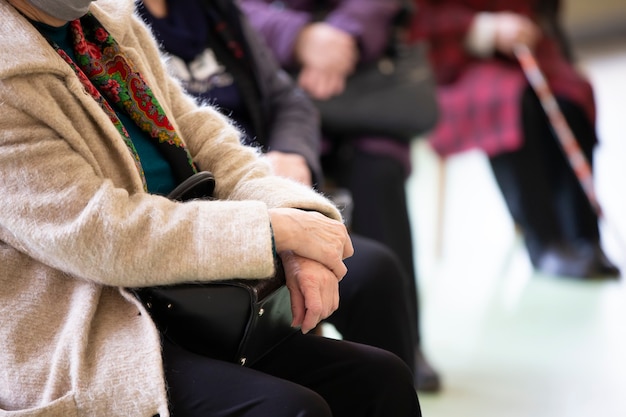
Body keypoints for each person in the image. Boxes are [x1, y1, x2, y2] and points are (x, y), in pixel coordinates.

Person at [0, 0, 423, 415]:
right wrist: (271, 230)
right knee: (292, 409)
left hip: (190, 294)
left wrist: (299, 228)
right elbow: (99, 230)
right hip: (87, 322)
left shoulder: (107, 22)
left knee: (381, 379)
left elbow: (208, 142)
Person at [136, 0, 439, 392]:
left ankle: (406, 357)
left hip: (261, 185)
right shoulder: (116, 22)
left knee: (375, 271)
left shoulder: (218, 13)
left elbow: (288, 100)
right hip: (204, 222)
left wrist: (291, 157)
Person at [239, 0, 441, 390]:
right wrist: (298, 36)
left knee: (379, 172)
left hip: (359, 88)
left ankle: (403, 342)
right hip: (265, 99)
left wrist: (344, 35)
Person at [408, 0, 620, 279]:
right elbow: (416, 17)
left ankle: (585, 238)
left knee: (571, 100)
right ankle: (545, 244)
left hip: (526, 52)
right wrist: (484, 29)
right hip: (457, 64)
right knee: (511, 104)